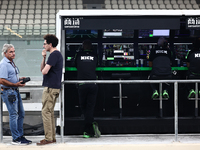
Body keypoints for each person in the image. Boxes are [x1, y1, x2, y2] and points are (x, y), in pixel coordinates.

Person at [0, 44, 32, 145]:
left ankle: (20, 135)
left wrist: (19, 79)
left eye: (14, 51)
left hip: (14, 90)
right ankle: (16, 138)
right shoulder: (4, 64)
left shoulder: (11, 63)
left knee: (21, 113)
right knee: (13, 114)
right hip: (8, 91)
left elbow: (9, 77)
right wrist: (15, 84)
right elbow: (1, 80)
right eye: (11, 52)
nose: (13, 53)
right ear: (5, 53)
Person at [36, 34, 63, 145]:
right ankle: (51, 137)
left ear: (50, 44)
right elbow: (42, 69)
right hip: (54, 87)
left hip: (50, 87)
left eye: (45, 43)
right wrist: (43, 57)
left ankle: (48, 138)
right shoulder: (55, 55)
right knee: (49, 112)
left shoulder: (54, 55)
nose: (43, 46)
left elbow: (44, 71)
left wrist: (45, 58)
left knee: (46, 112)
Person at [75, 39, 101, 138]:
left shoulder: (78, 55)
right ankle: (90, 126)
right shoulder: (95, 56)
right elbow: (97, 66)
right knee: (90, 108)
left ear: (83, 46)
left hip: (81, 84)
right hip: (93, 84)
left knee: (84, 107)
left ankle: (88, 129)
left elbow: (75, 65)